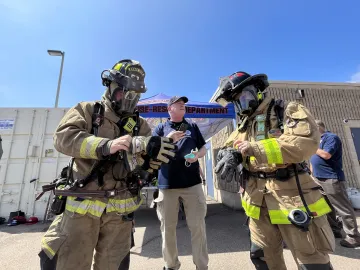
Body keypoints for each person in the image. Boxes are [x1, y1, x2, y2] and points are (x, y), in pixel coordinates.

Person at [38, 59, 175, 270]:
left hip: (120, 214)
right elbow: (63, 138)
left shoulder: (140, 126)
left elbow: (147, 166)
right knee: (69, 263)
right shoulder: (89, 110)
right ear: (110, 86)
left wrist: (153, 154)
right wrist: (105, 145)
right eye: (123, 92)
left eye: (134, 96)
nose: (129, 100)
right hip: (81, 209)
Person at [213, 71, 335, 270]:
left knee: (311, 260)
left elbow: (303, 144)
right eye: (236, 100)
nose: (241, 103)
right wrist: (229, 154)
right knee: (262, 257)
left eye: (244, 96)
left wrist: (254, 149)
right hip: (257, 201)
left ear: (257, 91)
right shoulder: (243, 125)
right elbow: (231, 146)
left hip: (292, 196)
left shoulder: (288, 110)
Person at [153, 96, 209, 270]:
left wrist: (197, 156)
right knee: (167, 229)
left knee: (198, 227)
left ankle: (201, 266)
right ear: (170, 109)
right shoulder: (161, 128)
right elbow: (151, 152)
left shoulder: (192, 126)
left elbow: (203, 148)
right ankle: (171, 265)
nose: (182, 105)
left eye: (183, 104)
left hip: (192, 184)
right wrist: (168, 139)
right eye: (178, 104)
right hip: (167, 186)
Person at [310, 120, 360, 248]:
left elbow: (326, 155)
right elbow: (312, 159)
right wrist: (312, 174)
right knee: (326, 207)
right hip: (317, 178)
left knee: (343, 208)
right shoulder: (316, 140)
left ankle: (353, 237)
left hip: (331, 179)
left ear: (318, 127)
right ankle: (335, 230)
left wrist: (313, 146)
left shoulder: (331, 137)